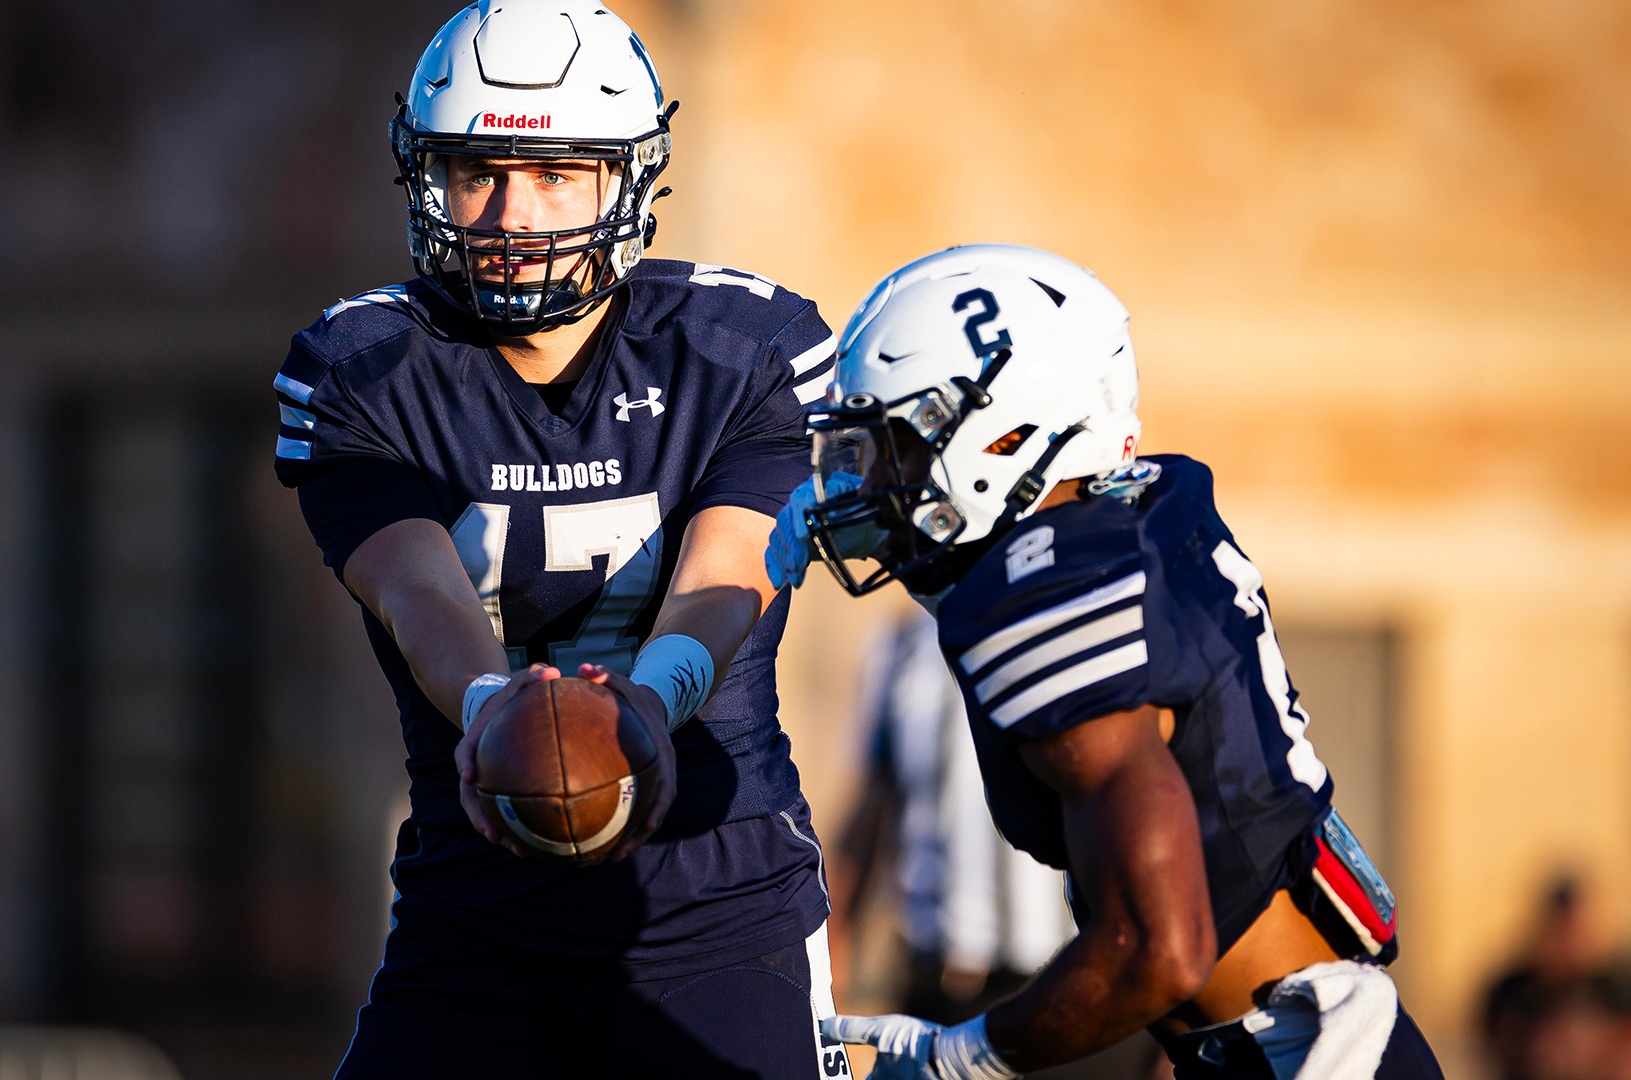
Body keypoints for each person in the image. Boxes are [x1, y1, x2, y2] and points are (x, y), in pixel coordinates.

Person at [271, 3, 843, 1077]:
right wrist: (499, 710)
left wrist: (644, 707)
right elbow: (418, 594)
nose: (510, 214)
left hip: (720, 910)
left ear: (629, 180)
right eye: (476, 173)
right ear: (426, 177)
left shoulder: (740, 350)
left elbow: (728, 577)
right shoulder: (364, 367)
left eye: (555, 173)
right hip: (475, 918)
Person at [766, 244, 1444, 1079]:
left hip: (1288, 1055)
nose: (874, 480)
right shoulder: (1133, 514)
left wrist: (959, 1059)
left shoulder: (1049, 597)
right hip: (1301, 1034)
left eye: (899, 445)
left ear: (1002, 435)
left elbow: (1158, 950)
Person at [833, 608, 1073, 1024]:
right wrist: (832, 952)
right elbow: (872, 808)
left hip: (1074, 982)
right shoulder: (902, 644)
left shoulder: (1076, 622)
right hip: (940, 986)